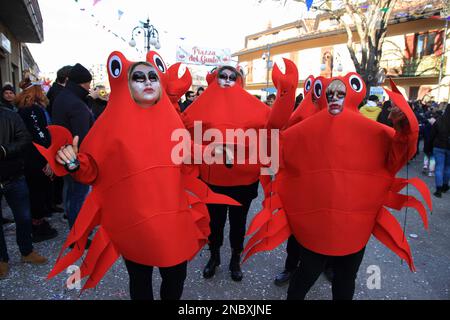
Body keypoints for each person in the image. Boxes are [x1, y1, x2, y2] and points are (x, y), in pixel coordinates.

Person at [0, 105, 47, 279]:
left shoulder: (10, 116)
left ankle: (27, 251)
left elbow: (25, 139)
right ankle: (1, 259)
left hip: (14, 176)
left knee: (24, 218)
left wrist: (4, 150)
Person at [52, 63, 94, 228]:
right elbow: (83, 137)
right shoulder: (77, 104)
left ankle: (72, 224)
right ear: (82, 83)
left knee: (70, 191)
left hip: (64, 153)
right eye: (88, 83)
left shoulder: (62, 97)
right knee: (79, 194)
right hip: (77, 157)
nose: (90, 86)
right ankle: (78, 233)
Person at [15, 78, 58, 242]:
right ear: (36, 91)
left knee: (36, 191)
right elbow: (40, 137)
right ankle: (37, 226)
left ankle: (37, 223)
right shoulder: (32, 110)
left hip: (30, 157)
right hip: (36, 158)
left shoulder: (22, 109)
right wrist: (48, 157)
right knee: (38, 191)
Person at [427, 105, 450, 197]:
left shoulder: (440, 120)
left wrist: (428, 147)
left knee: (439, 167)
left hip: (439, 146)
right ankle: (445, 185)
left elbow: (432, 134)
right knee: (448, 167)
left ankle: (438, 190)